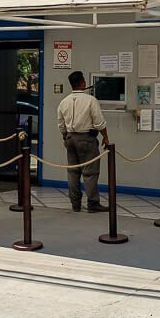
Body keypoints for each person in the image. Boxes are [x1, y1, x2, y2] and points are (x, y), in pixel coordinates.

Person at [57, 70, 110, 213]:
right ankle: (93, 203)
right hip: (86, 139)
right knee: (90, 172)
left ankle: (75, 204)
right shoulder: (90, 100)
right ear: (83, 83)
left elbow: (61, 124)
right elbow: (99, 123)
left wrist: (65, 136)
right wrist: (105, 137)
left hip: (70, 138)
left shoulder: (64, 101)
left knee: (73, 171)